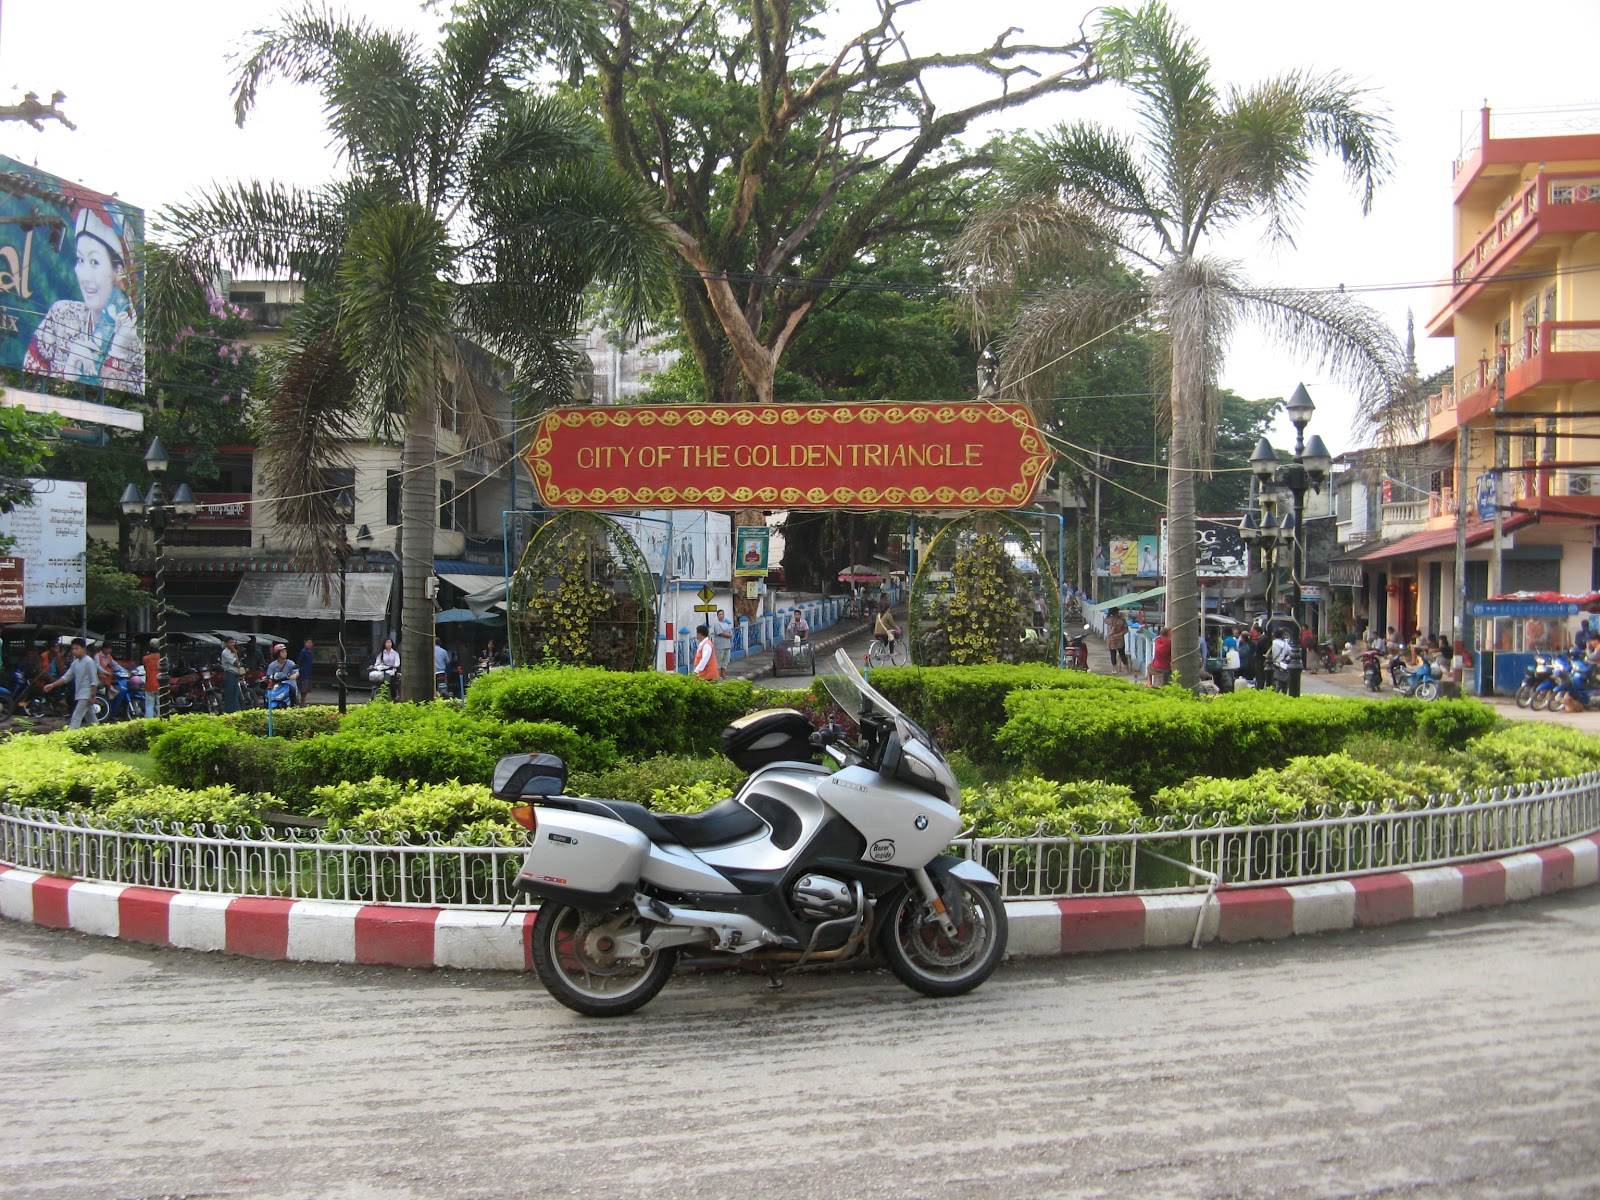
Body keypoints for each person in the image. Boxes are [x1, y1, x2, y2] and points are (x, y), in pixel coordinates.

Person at [23, 198, 145, 391]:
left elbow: (115, 404)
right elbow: (29, 378)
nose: (85, 275)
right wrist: (70, 371)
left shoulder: (133, 344)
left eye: (94, 262)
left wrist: (118, 351)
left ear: (118, 271)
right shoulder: (62, 315)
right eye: (80, 260)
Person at [46, 637, 99, 729]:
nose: (74, 651)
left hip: (86, 694)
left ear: (83, 649)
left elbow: (94, 680)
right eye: (73, 649)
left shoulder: (89, 661)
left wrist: (92, 696)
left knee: (76, 718)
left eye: (76, 648)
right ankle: (101, 733)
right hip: (80, 694)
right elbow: (66, 677)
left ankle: (71, 734)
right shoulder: (75, 663)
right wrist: (53, 685)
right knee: (92, 720)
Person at [219, 635, 246, 713]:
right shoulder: (225, 652)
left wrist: (235, 653)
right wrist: (235, 652)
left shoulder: (232, 652)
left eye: (233, 642)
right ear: (226, 643)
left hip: (235, 675)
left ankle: (238, 710)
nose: (232, 644)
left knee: (236, 693)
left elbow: (239, 664)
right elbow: (236, 663)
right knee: (231, 694)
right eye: (230, 642)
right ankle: (231, 711)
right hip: (229, 674)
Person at [1267, 626, 1294, 693]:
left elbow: (1267, 654)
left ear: (1274, 635)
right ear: (1282, 636)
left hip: (1273, 663)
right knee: (1283, 679)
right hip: (1282, 664)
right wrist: (1287, 659)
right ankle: (1283, 692)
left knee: (1273, 679)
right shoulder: (1285, 644)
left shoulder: (1272, 643)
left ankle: (1274, 690)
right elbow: (1293, 653)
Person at [1105, 608, 1129, 673]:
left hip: (1119, 639)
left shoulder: (1121, 619)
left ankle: (1125, 668)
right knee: (1113, 654)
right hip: (1113, 639)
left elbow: (1126, 629)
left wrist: (1118, 634)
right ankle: (1115, 668)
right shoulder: (1111, 619)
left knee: (1121, 654)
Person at [142, 640, 162, 718]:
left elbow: (145, 668)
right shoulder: (162, 658)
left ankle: (149, 721)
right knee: (159, 705)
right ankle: (159, 721)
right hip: (160, 683)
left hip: (149, 683)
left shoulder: (145, 658)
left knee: (149, 705)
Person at [296, 638, 315, 706]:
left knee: (307, 688)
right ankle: (302, 702)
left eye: (310, 643)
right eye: (308, 643)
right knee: (303, 688)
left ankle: (303, 701)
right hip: (304, 672)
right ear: (305, 643)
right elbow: (299, 661)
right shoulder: (303, 651)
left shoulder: (310, 652)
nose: (309, 644)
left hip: (309, 672)